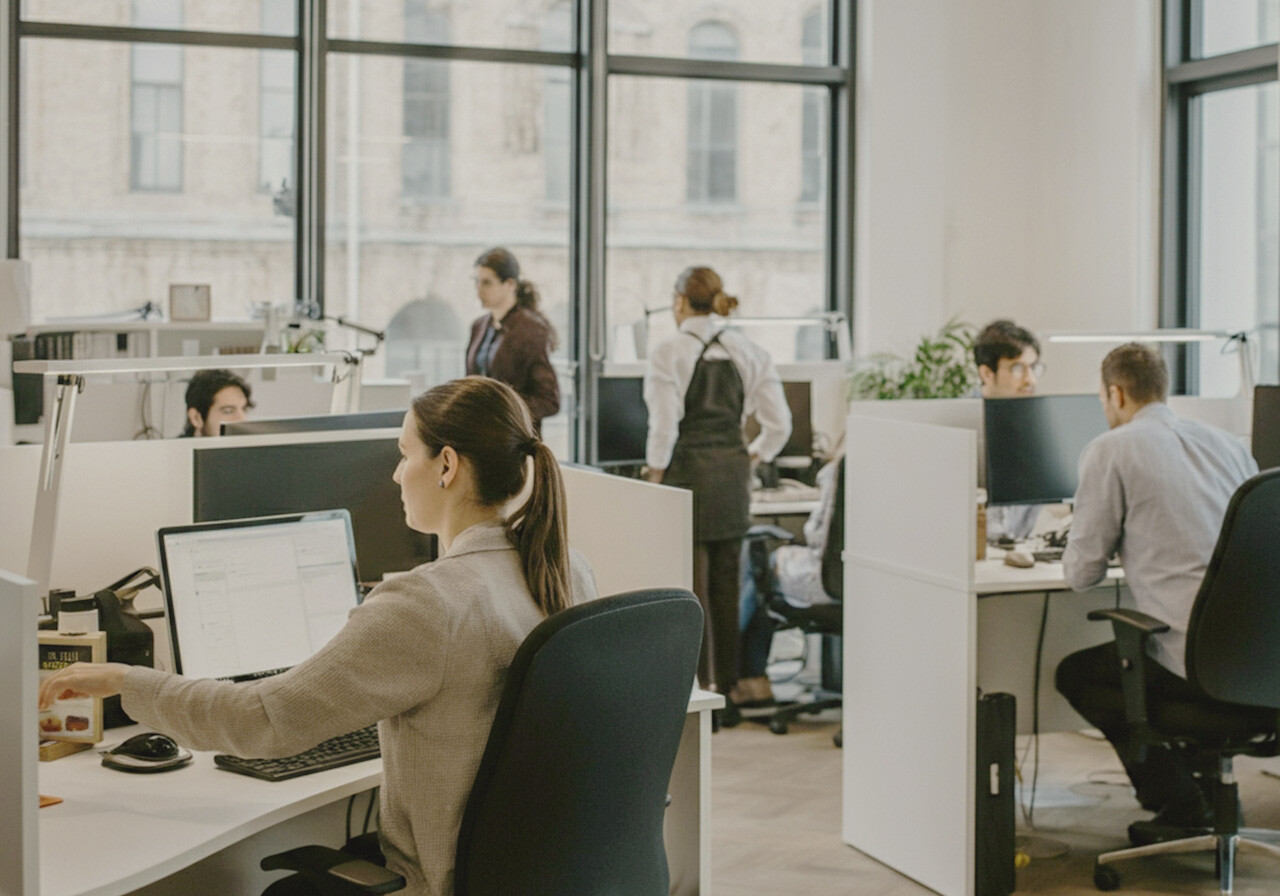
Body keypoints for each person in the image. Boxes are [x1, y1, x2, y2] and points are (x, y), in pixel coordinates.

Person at [41, 376, 599, 896]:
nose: (396, 474)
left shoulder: (428, 602)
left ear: (447, 465)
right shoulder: (564, 569)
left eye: (405, 455)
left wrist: (126, 681)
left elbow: (261, 720)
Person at [1055, 343, 1257, 844]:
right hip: (1262, 666)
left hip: (1195, 668)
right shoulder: (1229, 446)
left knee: (1078, 674)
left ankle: (1180, 802)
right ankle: (1209, 797)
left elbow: (1081, 574)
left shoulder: (1111, 449)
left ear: (1115, 393)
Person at [641, 266, 791, 721]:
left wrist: (654, 476)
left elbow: (664, 425)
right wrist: (755, 456)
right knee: (728, 586)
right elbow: (779, 424)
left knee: (690, 587)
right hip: (731, 477)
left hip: (686, 477)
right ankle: (727, 694)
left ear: (681, 302)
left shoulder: (668, 351)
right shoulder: (750, 351)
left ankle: (695, 693)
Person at [733, 450, 842, 707]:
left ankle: (747, 677)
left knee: (761, 566)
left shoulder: (837, 471)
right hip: (864, 585)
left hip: (821, 583)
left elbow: (816, 534)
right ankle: (749, 678)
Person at [465, 247, 560, 431]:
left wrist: (502, 411)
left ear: (510, 284)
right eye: (476, 281)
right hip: (480, 436)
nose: (478, 290)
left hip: (515, 439)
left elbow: (549, 400)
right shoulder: (478, 326)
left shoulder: (530, 329)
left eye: (487, 283)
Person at [973, 318, 1044, 542]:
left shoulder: (1037, 427)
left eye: (1033, 368)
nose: (1030, 379)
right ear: (986, 374)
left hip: (1017, 554)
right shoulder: (956, 425)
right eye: (1017, 368)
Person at [180, 368, 253, 437]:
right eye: (228, 411)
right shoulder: (173, 449)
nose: (241, 420)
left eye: (244, 410)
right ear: (196, 418)